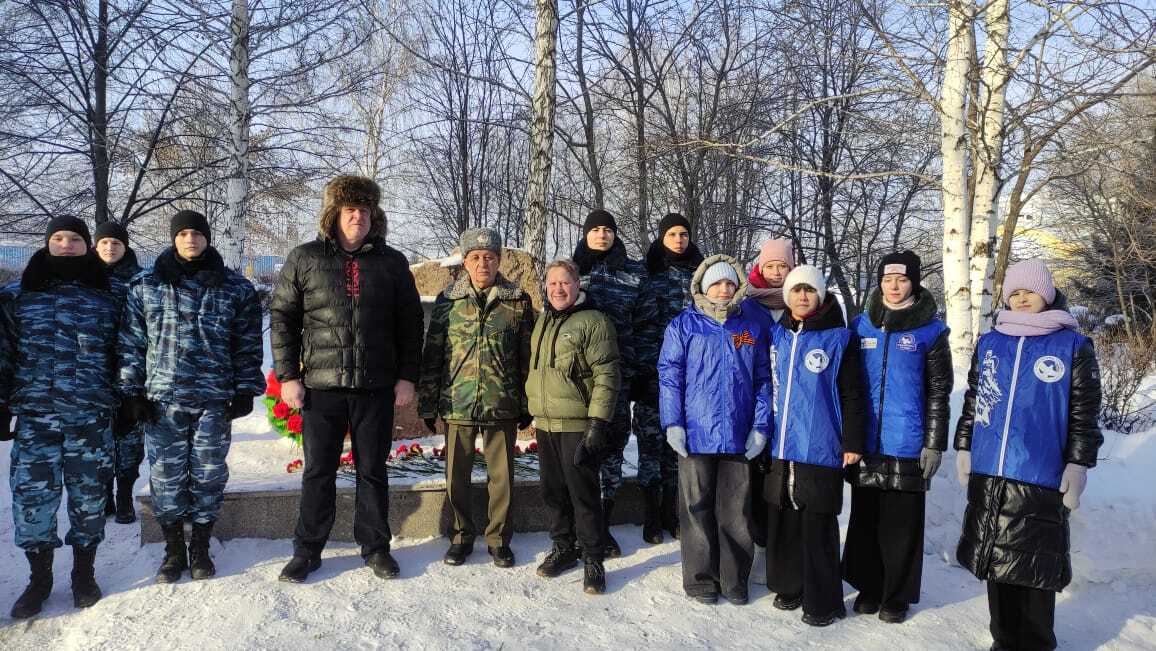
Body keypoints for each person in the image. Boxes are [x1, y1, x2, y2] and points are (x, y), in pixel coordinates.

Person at [270, 175, 425, 583]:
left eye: (364, 210)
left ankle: (375, 547)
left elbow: (411, 324)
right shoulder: (305, 258)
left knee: (373, 469)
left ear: (375, 215)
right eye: (350, 209)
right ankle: (307, 550)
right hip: (322, 388)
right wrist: (287, 376)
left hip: (375, 387)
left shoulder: (391, 262)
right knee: (318, 471)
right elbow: (283, 318)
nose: (357, 216)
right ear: (334, 214)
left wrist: (407, 376)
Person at [955, 259, 1102, 651]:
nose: (1021, 299)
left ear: (1047, 294)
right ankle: (1003, 640)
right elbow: (974, 401)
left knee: (1035, 570)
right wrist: (964, 445)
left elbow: (1084, 413)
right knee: (997, 565)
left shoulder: (1072, 345)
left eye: (1029, 292)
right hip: (991, 472)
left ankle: (1035, 643)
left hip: (1040, 475)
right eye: (1014, 293)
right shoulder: (991, 342)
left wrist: (1078, 463)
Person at [118, 210, 264, 583]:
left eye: (197, 233)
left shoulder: (235, 288)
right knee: (166, 477)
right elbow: (132, 343)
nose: (190, 240)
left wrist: (246, 388)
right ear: (173, 238)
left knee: (209, 475)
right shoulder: (145, 285)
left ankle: (200, 546)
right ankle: (172, 550)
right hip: (162, 401)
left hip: (214, 400)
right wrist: (132, 393)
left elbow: (246, 344)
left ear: (207, 238)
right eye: (182, 233)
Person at [2, 216, 119, 617]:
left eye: (74, 239)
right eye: (58, 238)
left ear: (87, 245)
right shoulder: (17, 296)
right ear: (47, 243)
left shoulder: (109, 296)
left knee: (89, 501)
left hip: (90, 417)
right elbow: (3, 356)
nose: (66, 245)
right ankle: (39, 580)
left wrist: (125, 405)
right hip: (37, 419)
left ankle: (83, 575)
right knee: (32, 502)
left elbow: (124, 356)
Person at [842, 251, 952, 623]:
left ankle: (896, 595)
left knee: (901, 525)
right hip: (868, 440)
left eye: (902, 280)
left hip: (908, 441)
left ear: (914, 283)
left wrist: (935, 441)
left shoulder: (931, 331)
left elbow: (940, 390)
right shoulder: (861, 326)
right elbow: (849, 385)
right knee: (866, 519)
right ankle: (869, 587)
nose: (893, 286)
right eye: (888, 279)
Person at [418, 228, 535, 568]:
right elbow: (433, 354)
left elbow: (527, 355)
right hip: (458, 401)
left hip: (502, 402)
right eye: (476, 257)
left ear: (498, 260)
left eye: (490, 257)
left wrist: (526, 404)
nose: (483, 263)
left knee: (502, 478)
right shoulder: (448, 300)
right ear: (465, 262)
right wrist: (428, 402)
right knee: (457, 476)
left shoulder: (517, 300)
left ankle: (499, 539)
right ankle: (460, 536)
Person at [658, 255, 772, 605]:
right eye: (717, 284)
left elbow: (763, 380)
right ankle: (700, 578)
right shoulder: (684, 326)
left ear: (737, 287)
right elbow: (669, 375)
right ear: (704, 287)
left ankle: (734, 578)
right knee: (696, 507)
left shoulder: (748, 329)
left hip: (738, 435)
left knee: (735, 510)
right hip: (695, 435)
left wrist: (760, 426)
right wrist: (673, 422)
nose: (723, 289)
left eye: (729, 283)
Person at [763, 264, 865, 627]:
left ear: (820, 295)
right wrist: (726, 331)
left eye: (809, 290)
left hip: (821, 443)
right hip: (780, 444)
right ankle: (789, 586)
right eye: (796, 290)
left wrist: (853, 440)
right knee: (784, 517)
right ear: (786, 295)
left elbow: (853, 393)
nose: (802, 296)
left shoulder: (839, 338)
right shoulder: (774, 334)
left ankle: (823, 600)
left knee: (817, 522)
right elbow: (739, 342)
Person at [526, 259, 621, 594]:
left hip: (576, 424)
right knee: (553, 492)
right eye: (552, 284)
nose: (558, 289)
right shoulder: (543, 321)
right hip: (546, 423)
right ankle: (563, 548)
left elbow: (607, 374)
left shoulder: (594, 321)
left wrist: (597, 422)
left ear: (577, 284)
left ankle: (593, 558)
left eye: (564, 283)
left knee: (583, 494)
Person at [572, 208, 655, 556]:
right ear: (586, 234)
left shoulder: (634, 273)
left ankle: (603, 524)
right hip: (577, 381)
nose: (602, 235)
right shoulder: (573, 271)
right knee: (578, 451)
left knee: (612, 448)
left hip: (619, 377)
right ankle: (580, 524)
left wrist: (641, 373)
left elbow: (647, 326)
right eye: (596, 230)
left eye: (608, 230)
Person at [633, 212, 704, 543]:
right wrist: (646, 375)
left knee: (679, 452)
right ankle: (650, 516)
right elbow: (642, 329)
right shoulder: (648, 275)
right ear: (662, 238)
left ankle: (673, 514)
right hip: (654, 377)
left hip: (692, 382)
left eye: (684, 234)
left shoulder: (700, 277)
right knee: (650, 448)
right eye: (673, 234)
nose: (679, 239)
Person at [744, 237, 795, 584]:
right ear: (761, 268)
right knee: (755, 482)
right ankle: (759, 546)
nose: (777, 273)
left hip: (792, 407)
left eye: (783, 267)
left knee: (785, 483)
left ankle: (785, 549)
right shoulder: (747, 305)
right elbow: (738, 342)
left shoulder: (802, 302)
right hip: (754, 405)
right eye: (771, 266)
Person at [93, 221, 144, 524]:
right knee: (98, 439)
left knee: (129, 436)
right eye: (104, 243)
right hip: (93, 372)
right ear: (95, 246)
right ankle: (104, 495)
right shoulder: (85, 279)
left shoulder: (140, 281)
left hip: (131, 367)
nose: (110, 248)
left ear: (125, 247)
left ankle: (124, 495)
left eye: (116, 243)